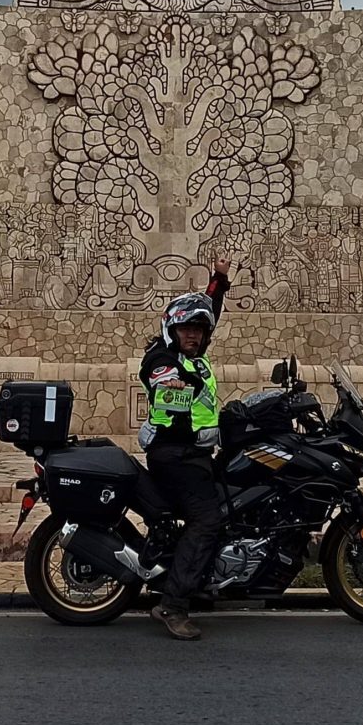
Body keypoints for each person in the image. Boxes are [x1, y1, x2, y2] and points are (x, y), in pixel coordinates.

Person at [139, 257, 232, 641]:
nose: (192, 335)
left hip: (191, 454)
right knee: (207, 521)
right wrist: (179, 389)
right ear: (171, 330)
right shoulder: (163, 361)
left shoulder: (195, 357)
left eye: (197, 330)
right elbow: (170, 392)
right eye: (185, 329)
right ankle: (173, 605)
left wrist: (220, 280)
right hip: (175, 455)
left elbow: (210, 310)